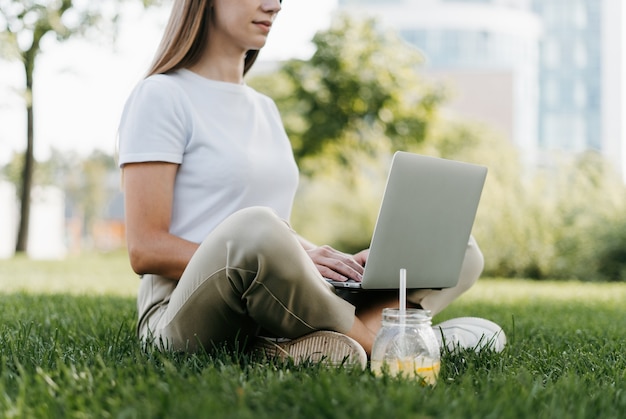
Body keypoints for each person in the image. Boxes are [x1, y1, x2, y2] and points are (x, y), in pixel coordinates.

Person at [118, 0, 505, 368]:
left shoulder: (264, 109)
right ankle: (388, 345)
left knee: (459, 250)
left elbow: (276, 236)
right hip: (183, 312)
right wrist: (292, 257)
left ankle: (298, 347)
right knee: (256, 226)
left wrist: (327, 260)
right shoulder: (162, 95)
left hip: (266, 297)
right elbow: (146, 248)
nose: (275, 5)